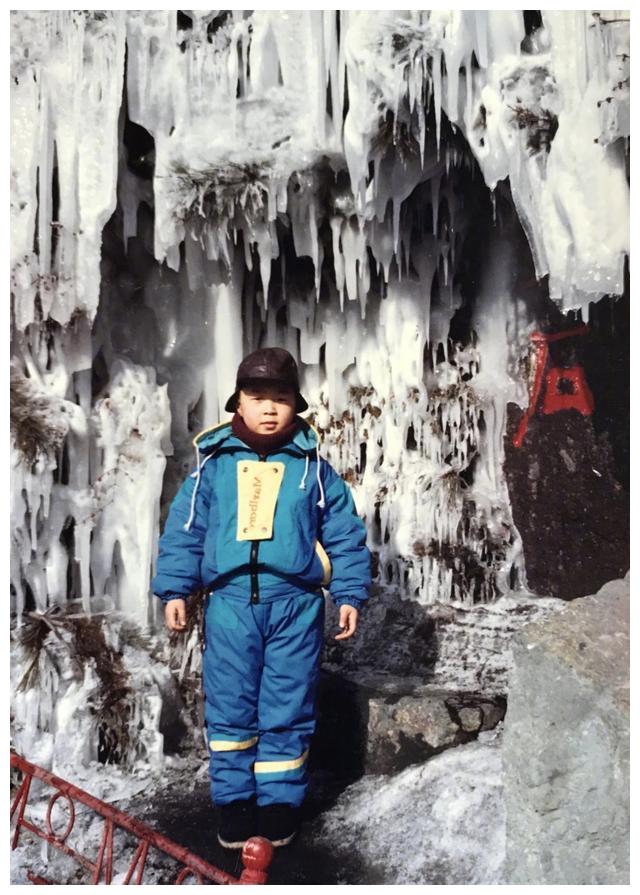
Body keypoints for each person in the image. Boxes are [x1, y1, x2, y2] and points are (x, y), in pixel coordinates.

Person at [152, 347, 371, 849]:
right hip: (229, 605)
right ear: (237, 404)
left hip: (294, 605)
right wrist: (176, 589)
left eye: (281, 397)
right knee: (230, 705)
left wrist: (350, 592)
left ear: (296, 404)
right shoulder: (212, 466)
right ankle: (234, 800)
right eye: (257, 397)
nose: (270, 407)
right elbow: (185, 532)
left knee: (287, 705)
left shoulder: (314, 469)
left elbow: (344, 534)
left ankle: (278, 803)